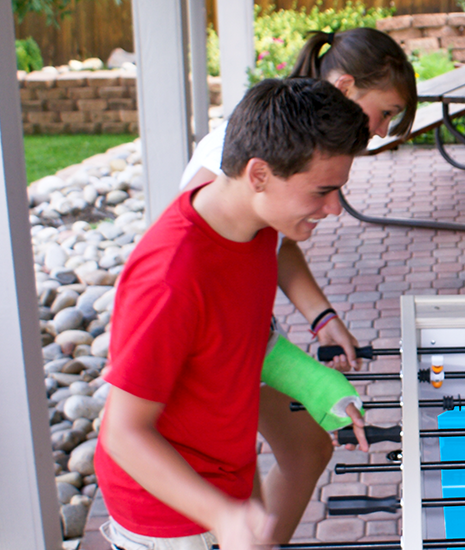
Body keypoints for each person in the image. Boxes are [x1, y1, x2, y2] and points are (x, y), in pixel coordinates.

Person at [95, 78, 371, 550]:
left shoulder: (258, 230)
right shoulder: (170, 277)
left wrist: (324, 390)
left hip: (224, 478)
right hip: (169, 516)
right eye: (322, 192)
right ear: (258, 174)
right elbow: (123, 432)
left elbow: (248, 341)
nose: (334, 209)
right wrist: (223, 517)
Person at [179, 27, 418, 544]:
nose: (381, 131)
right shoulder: (234, 170)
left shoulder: (292, 156)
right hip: (208, 346)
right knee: (240, 488)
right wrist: (305, 375)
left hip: (246, 331)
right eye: (386, 111)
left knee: (307, 450)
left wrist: (322, 318)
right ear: (346, 86)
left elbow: (278, 247)